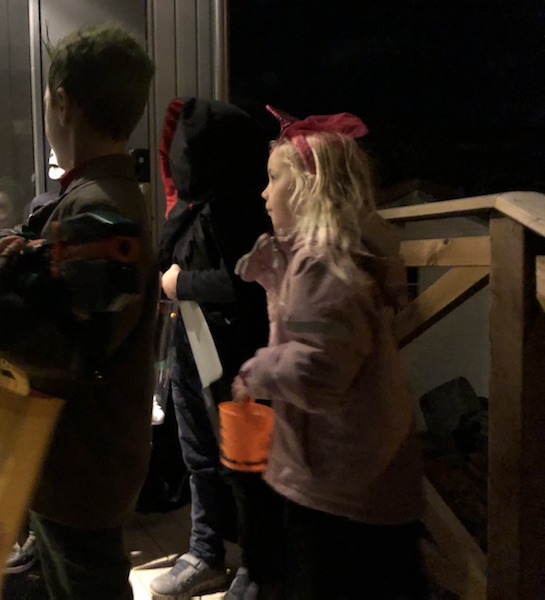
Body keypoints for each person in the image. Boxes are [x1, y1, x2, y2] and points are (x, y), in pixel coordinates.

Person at [0, 24, 156, 599]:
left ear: (63, 103)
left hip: (81, 463)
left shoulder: (98, 206)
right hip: (81, 457)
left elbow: (66, 347)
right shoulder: (101, 195)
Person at [231, 107, 425, 599]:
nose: (264, 193)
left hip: (337, 486)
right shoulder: (338, 254)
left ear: (308, 186)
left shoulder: (321, 263)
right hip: (364, 475)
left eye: (274, 178)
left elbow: (317, 370)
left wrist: (254, 371)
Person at [149, 97, 274, 600]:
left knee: (246, 466)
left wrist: (180, 284)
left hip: (240, 358)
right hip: (192, 349)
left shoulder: (246, 207)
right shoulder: (194, 205)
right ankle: (206, 551)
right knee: (197, 454)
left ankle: (258, 566)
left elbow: (248, 284)